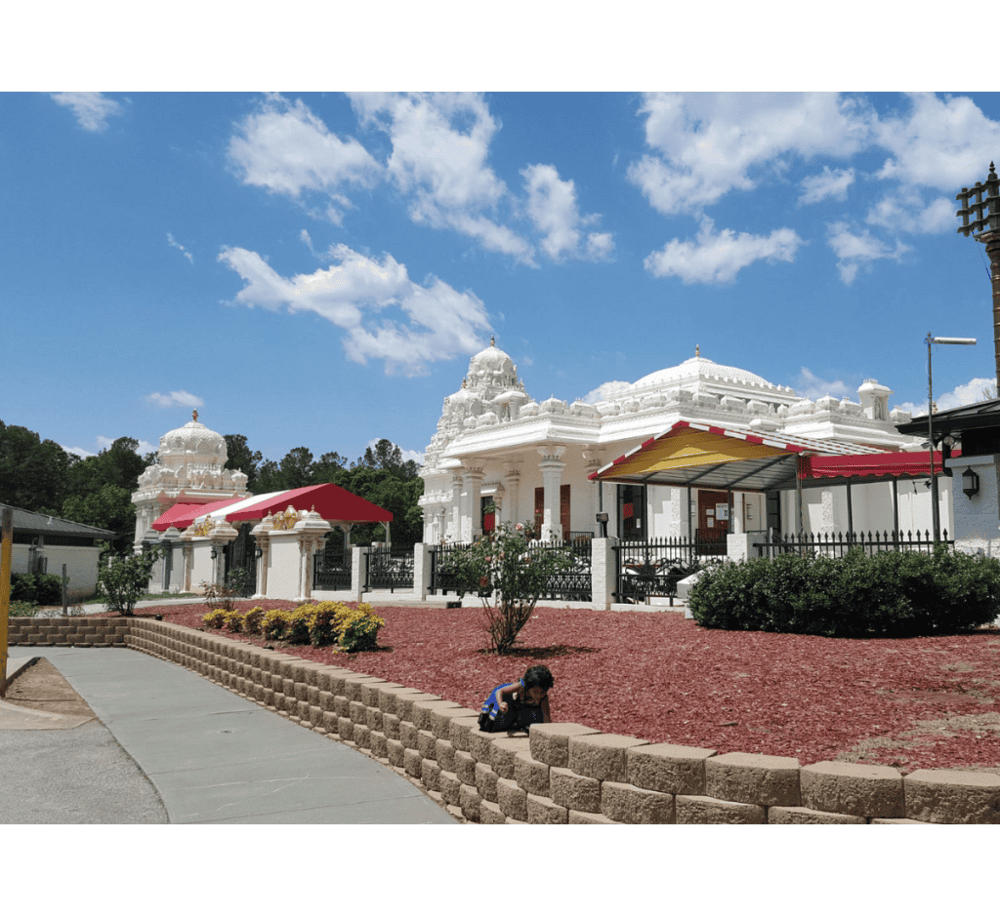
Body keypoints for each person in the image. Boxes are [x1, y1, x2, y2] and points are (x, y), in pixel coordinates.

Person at [478, 665, 554, 732]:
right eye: (536, 691)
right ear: (528, 686)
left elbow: (546, 718)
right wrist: (501, 704)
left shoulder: (543, 698)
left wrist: (547, 731)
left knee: (537, 717)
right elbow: (500, 691)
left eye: (543, 692)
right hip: (493, 717)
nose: (539, 695)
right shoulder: (520, 687)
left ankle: (518, 724)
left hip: (514, 716)